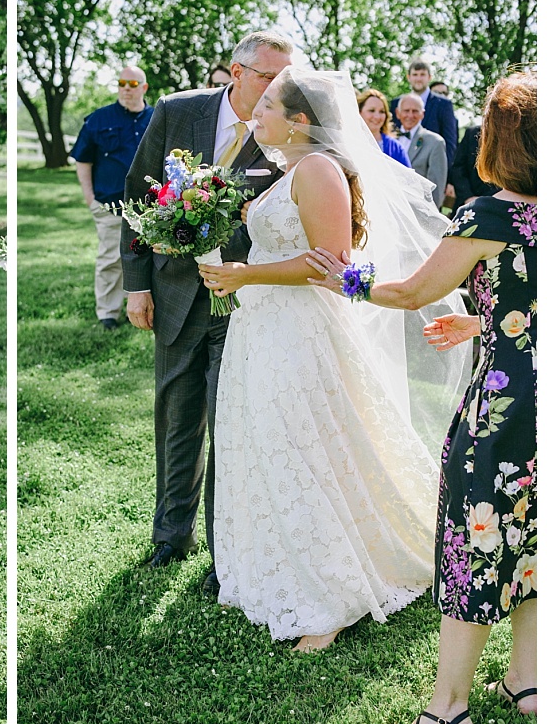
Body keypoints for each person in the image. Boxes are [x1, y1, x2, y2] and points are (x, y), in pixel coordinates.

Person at [197, 68, 471, 652]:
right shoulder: (288, 170)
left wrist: (246, 273)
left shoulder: (318, 170)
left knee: (306, 447)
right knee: (268, 443)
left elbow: (332, 262)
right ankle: (275, 568)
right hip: (263, 324)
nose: (257, 112)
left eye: (268, 105)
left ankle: (332, 598)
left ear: (299, 121)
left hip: (302, 331)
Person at [306, 70, 536, 724]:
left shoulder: (490, 213)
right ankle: (527, 681)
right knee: (533, 537)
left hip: (507, 408)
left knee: (477, 540)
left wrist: (343, 276)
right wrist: (490, 323)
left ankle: (446, 713)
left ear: (496, 140)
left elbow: (410, 292)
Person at [121, 31, 291, 596]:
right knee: (175, 416)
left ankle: (227, 552)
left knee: (230, 423)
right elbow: (137, 197)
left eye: (284, 78)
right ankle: (171, 536)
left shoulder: (287, 132)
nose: (278, 88)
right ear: (237, 72)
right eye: (268, 76)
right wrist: (136, 286)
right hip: (171, 295)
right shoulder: (177, 112)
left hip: (244, 303)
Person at [71, 65, 153, 330]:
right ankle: (108, 312)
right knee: (111, 259)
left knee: (147, 257)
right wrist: (89, 198)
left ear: (144, 88)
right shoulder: (98, 119)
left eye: (132, 84)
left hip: (148, 206)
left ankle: (140, 308)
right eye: (121, 83)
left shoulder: (156, 118)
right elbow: (82, 160)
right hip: (109, 204)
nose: (126, 89)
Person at [396, 93, 449, 208]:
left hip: (417, 211)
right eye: (406, 110)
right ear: (398, 113)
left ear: (422, 114)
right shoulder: (387, 139)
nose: (410, 115)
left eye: (415, 111)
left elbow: (436, 189)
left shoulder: (435, 142)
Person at [408, 60, 460, 168]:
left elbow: (450, 144)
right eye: (415, 75)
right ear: (409, 77)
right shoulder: (398, 103)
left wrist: (447, 177)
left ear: (429, 77)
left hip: (433, 169)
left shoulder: (443, 104)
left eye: (422, 75)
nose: (418, 79)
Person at [450, 123, 500, 209]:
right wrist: (468, 197)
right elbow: (458, 168)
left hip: (496, 204)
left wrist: (486, 201)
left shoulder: (514, 138)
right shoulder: (472, 133)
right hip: (466, 203)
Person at [357, 88, 410, 167]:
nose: (377, 116)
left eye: (382, 111)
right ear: (360, 112)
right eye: (371, 110)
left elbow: (408, 178)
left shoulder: (396, 148)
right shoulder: (350, 143)